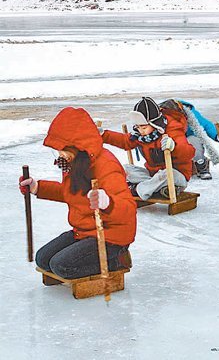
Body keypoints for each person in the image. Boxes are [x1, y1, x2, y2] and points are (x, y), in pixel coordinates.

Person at [19, 107, 136, 280]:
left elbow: (128, 210)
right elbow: (70, 194)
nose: (59, 154)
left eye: (62, 149)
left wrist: (108, 203)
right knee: (43, 259)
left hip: (111, 235)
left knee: (61, 266)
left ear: (78, 146)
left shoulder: (106, 166)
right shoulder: (75, 162)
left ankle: (117, 260)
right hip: (83, 230)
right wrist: (38, 187)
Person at [101, 97, 195, 200]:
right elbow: (125, 141)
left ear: (155, 123)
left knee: (166, 174)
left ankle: (137, 190)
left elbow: (189, 153)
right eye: (138, 127)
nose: (141, 131)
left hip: (176, 176)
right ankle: (158, 189)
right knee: (126, 169)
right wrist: (104, 135)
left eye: (144, 127)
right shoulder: (141, 136)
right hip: (152, 176)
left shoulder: (172, 130)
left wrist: (174, 147)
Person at [175, 99, 219, 180]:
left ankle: (201, 165)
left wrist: (217, 135)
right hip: (175, 141)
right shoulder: (168, 117)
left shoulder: (192, 115)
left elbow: (207, 125)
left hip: (189, 140)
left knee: (194, 141)